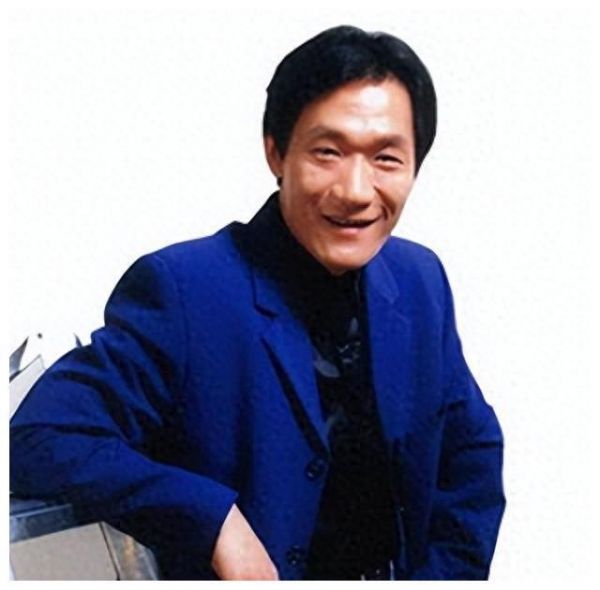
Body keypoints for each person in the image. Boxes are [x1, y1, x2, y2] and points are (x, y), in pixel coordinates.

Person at [10, 25, 505, 580]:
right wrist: (213, 519)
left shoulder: (419, 280)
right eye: (328, 152)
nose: (355, 190)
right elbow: (38, 436)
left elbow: (472, 452)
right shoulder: (185, 290)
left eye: (386, 159)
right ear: (276, 151)